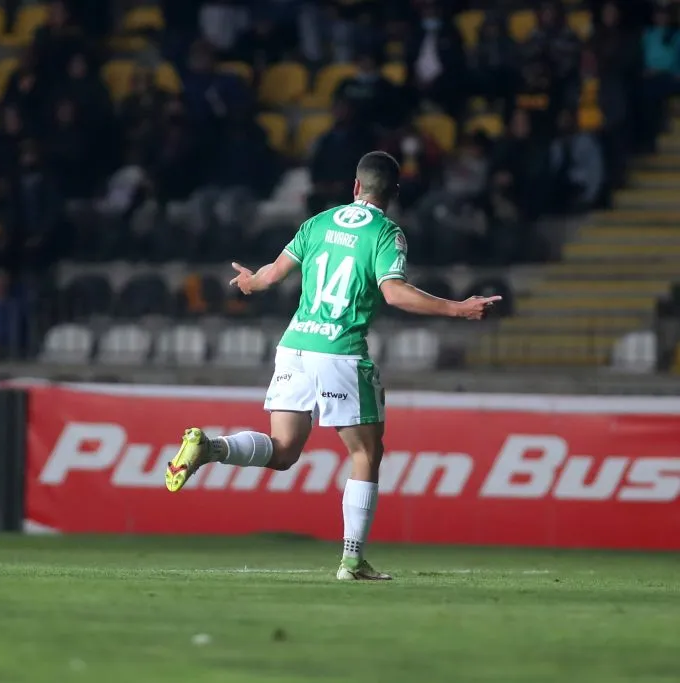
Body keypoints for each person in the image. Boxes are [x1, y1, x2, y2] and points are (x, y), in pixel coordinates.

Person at [164, 152, 499, 581]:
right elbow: (394, 293)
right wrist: (457, 308)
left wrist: (249, 282)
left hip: (295, 346)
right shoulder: (386, 232)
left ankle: (209, 448)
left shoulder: (319, 222)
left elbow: (272, 275)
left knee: (283, 451)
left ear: (356, 187)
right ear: (393, 194)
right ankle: (352, 561)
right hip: (339, 352)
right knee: (367, 452)